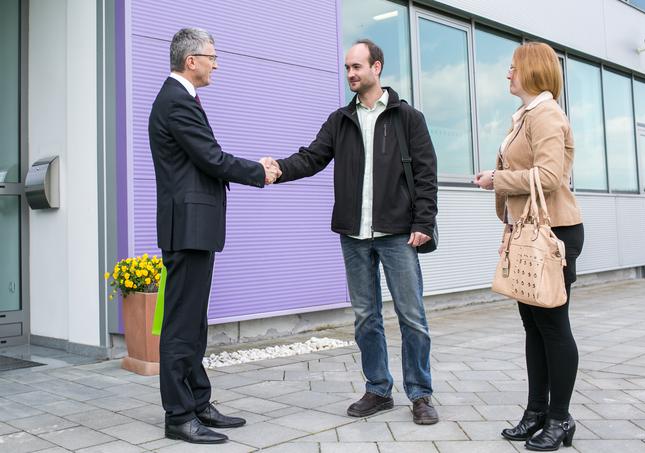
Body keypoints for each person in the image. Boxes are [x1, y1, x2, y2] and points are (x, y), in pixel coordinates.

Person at [264, 39, 439, 425]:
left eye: (357, 67)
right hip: (354, 234)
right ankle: (378, 389)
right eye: (347, 68)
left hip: (398, 233)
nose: (351, 74)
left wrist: (424, 222)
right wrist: (276, 169)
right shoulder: (340, 120)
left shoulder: (408, 118)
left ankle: (420, 394)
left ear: (377, 67)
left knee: (412, 316)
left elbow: (426, 174)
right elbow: (311, 158)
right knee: (365, 317)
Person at [148, 27, 280, 444]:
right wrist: (259, 172)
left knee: (195, 323)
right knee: (180, 326)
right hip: (186, 229)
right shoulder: (175, 101)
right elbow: (211, 158)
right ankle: (179, 416)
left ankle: (199, 402)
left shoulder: (181, 100)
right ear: (192, 61)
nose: (216, 64)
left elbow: (204, 159)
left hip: (195, 228)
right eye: (212, 56)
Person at [473, 42, 585, 451]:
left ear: (532, 71)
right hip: (529, 231)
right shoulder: (525, 115)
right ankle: (536, 412)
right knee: (533, 327)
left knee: (553, 328)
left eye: (513, 68)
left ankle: (560, 418)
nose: (508, 74)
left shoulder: (547, 114)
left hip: (554, 232)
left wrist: (496, 179)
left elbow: (550, 176)